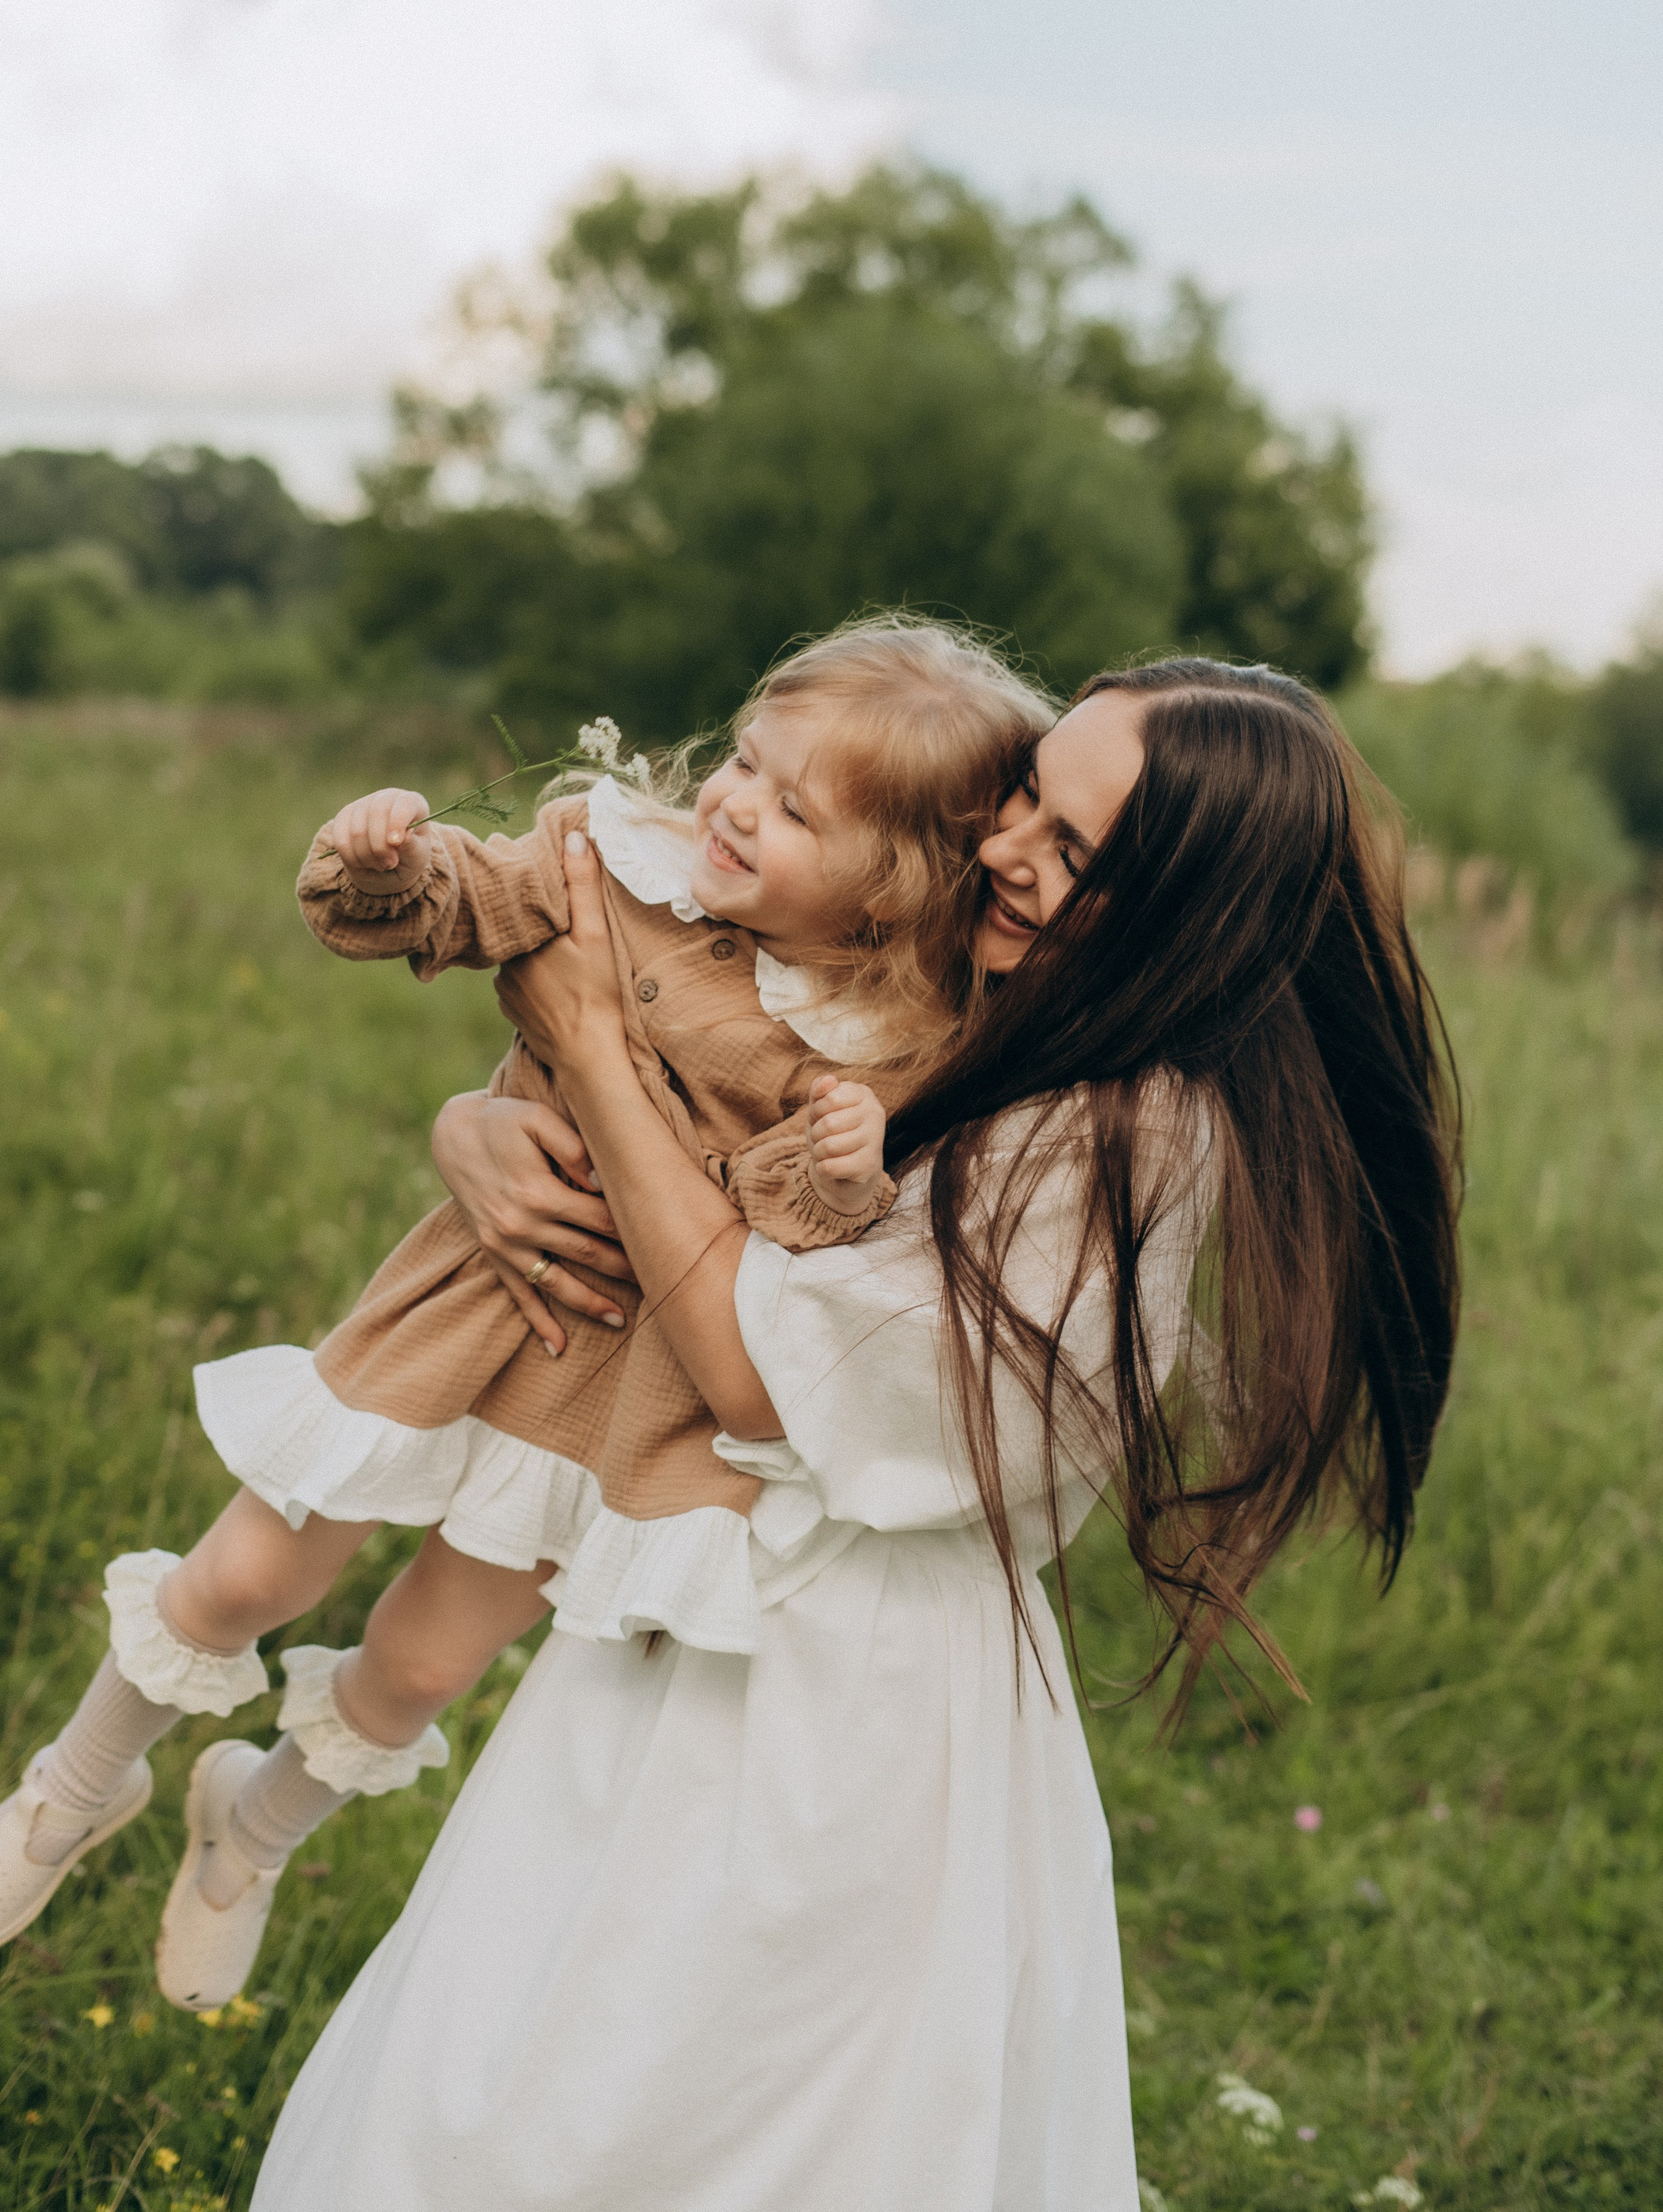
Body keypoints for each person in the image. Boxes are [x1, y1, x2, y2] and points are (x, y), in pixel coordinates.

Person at [250, 658, 1461, 2212]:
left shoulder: (1122, 1134)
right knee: (513, 2066)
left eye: (1077, 850)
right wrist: (483, 1123)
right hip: (696, 1598)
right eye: (1029, 793)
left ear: (1189, 908)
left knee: (680, 2114)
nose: (1010, 849)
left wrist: (588, 1045)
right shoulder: (977, 1003)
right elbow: (713, 1136)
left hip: (844, 1702)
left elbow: (766, 1369)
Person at [0, 621, 1052, 2009]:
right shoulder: (615, 866)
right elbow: (452, 908)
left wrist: (843, 1167)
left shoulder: (890, 1047)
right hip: (471, 1305)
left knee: (418, 1667)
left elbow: (797, 1242)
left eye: (796, 810)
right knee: (247, 1578)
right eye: (746, 760)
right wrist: (393, 859)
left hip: (621, 1391)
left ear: (887, 892)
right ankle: (68, 1793)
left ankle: (245, 1836)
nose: (734, 802)